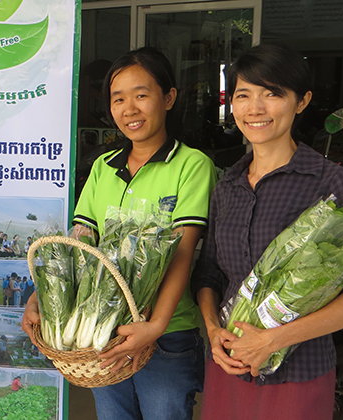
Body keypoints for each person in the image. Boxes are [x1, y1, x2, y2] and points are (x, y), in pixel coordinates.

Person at [22, 47, 216, 420]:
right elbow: (80, 244)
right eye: (118, 98)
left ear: (169, 97)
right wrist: (41, 299)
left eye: (141, 95)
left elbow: (183, 251)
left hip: (167, 334)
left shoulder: (191, 166)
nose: (129, 109)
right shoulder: (102, 167)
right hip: (103, 332)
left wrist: (155, 325)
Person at [191, 44, 343, 420]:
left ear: (301, 102)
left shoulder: (330, 183)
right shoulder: (228, 185)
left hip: (298, 373)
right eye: (244, 95)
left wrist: (272, 341)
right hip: (228, 365)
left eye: (272, 93)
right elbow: (209, 273)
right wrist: (212, 330)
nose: (255, 108)